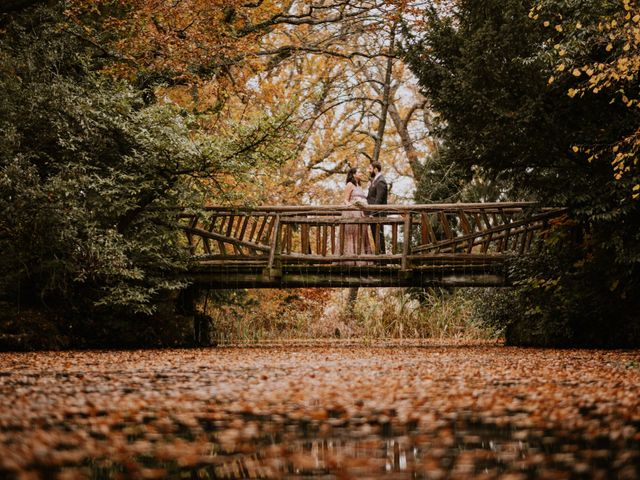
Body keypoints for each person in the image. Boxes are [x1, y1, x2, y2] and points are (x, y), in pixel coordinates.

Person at [342, 167, 372, 264]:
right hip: (352, 213)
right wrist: (352, 206)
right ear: (354, 174)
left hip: (361, 214)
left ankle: (362, 259)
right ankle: (351, 260)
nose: (361, 173)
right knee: (353, 235)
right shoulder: (349, 185)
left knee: (361, 235)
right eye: (359, 172)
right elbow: (345, 200)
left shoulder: (359, 186)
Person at [366, 161, 388, 253]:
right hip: (373, 213)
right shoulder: (375, 180)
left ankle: (382, 260)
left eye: (370, 169)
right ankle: (379, 257)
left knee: (379, 236)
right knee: (375, 235)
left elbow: (378, 200)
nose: (368, 171)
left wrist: (372, 213)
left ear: (375, 169)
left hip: (377, 214)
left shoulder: (381, 181)